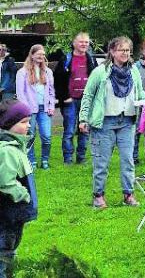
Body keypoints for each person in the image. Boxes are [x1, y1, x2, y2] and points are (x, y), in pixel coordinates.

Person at [79, 36, 145, 209]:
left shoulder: (134, 71)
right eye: (121, 50)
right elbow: (88, 96)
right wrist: (83, 119)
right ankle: (98, 196)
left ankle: (128, 194)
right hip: (104, 123)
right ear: (112, 51)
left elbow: (139, 95)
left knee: (128, 160)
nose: (125, 53)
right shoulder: (100, 72)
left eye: (128, 50)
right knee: (101, 162)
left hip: (127, 122)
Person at [0, 99, 37, 278]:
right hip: (8, 214)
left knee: (10, 250)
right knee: (4, 253)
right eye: (23, 122)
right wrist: (23, 194)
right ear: (8, 124)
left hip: (15, 216)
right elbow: (5, 182)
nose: (28, 125)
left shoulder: (17, 146)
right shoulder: (7, 150)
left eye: (28, 121)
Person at [54, 32, 98, 165]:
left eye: (86, 42)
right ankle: (68, 159)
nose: (84, 44)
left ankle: (81, 158)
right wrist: (64, 97)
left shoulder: (91, 59)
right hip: (70, 101)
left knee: (84, 129)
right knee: (69, 130)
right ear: (74, 43)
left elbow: (96, 79)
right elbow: (58, 81)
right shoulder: (65, 59)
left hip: (86, 101)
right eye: (81, 41)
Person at [15, 45, 55, 169]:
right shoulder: (22, 72)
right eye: (39, 54)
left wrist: (51, 105)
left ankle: (45, 161)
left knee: (47, 136)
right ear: (32, 55)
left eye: (43, 55)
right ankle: (31, 161)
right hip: (29, 110)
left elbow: (51, 91)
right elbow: (20, 93)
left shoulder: (48, 71)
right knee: (30, 135)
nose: (41, 57)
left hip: (45, 109)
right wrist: (25, 110)